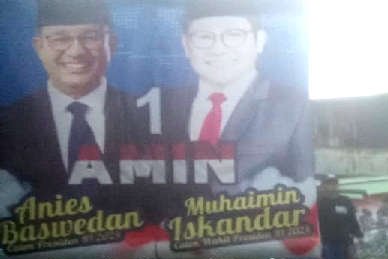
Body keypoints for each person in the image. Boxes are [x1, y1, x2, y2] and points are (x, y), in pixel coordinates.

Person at [0, 0, 143, 198]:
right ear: (39, 46)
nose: (76, 52)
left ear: (112, 44)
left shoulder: (147, 115)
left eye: (90, 37)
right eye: (60, 38)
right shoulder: (7, 125)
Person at [162, 0, 313, 186]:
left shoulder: (292, 108)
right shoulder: (163, 105)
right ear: (185, 45)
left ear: (260, 41)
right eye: (204, 37)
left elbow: (302, 185)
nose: (218, 49)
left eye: (234, 35)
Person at [317, 175, 363, 259]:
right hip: (326, 241)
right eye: (329, 183)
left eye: (334, 183)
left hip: (346, 240)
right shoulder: (319, 203)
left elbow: (352, 218)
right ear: (323, 186)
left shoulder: (345, 200)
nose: (332, 186)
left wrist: (359, 234)